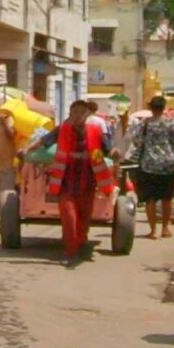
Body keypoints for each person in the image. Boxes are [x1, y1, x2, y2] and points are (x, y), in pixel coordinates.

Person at [50, 98, 112, 261]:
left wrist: (114, 152)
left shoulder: (95, 131)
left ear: (87, 115)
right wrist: (27, 149)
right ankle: (70, 250)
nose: (78, 116)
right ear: (70, 114)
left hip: (88, 182)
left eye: (82, 112)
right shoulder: (62, 129)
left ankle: (81, 242)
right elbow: (45, 140)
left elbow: (106, 149)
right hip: (66, 182)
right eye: (75, 112)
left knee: (84, 217)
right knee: (69, 217)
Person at [125, 96, 174, 239]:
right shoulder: (171, 123)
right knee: (167, 199)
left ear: (151, 108)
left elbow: (136, 140)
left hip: (148, 166)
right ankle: (165, 229)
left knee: (150, 199)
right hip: (168, 166)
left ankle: (153, 231)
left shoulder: (145, 124)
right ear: (163, 108)